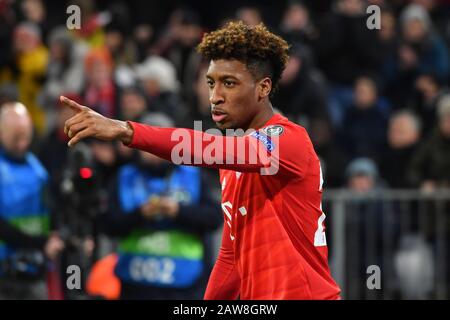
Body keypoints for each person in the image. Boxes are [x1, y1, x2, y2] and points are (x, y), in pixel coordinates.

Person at [61, 21, 341, 300]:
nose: (215, 97)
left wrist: (127, 130)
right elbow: (231, 258)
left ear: (263, 87)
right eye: (211, 83)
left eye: (229, 83)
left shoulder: (288, 139)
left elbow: (203, 147)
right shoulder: (232, 166)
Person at [99, 112, 222, 299]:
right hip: (135, 285)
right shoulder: (123, 177)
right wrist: (140, 214)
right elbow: (107, 224)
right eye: (147, 145)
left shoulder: (193, 176)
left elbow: (214, 218)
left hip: (184, 285)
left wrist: (179, 211)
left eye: (160, 144)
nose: (153, 152)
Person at [0, 102, 64, 299]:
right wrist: (41, 243)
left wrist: (56, 236)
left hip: (35, 271)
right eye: (15, 138)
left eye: (25, 137)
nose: (21, 144)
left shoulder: (37, 168)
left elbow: (49, 210)